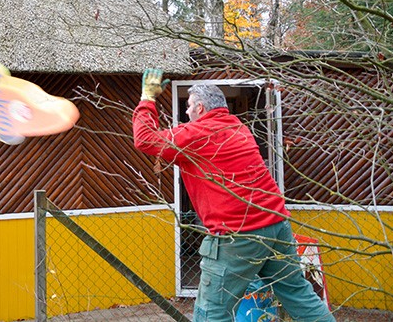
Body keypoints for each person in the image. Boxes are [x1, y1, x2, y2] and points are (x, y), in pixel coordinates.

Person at [132, 69, 335, 322]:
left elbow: (144, 140)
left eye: (190, 107)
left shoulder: (198, 134)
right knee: (298, 295)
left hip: (238, 235)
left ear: (201, 109)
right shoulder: (239, 128)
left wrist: (147, 98)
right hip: (276, 224)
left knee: (212, 314)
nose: (186, 112)